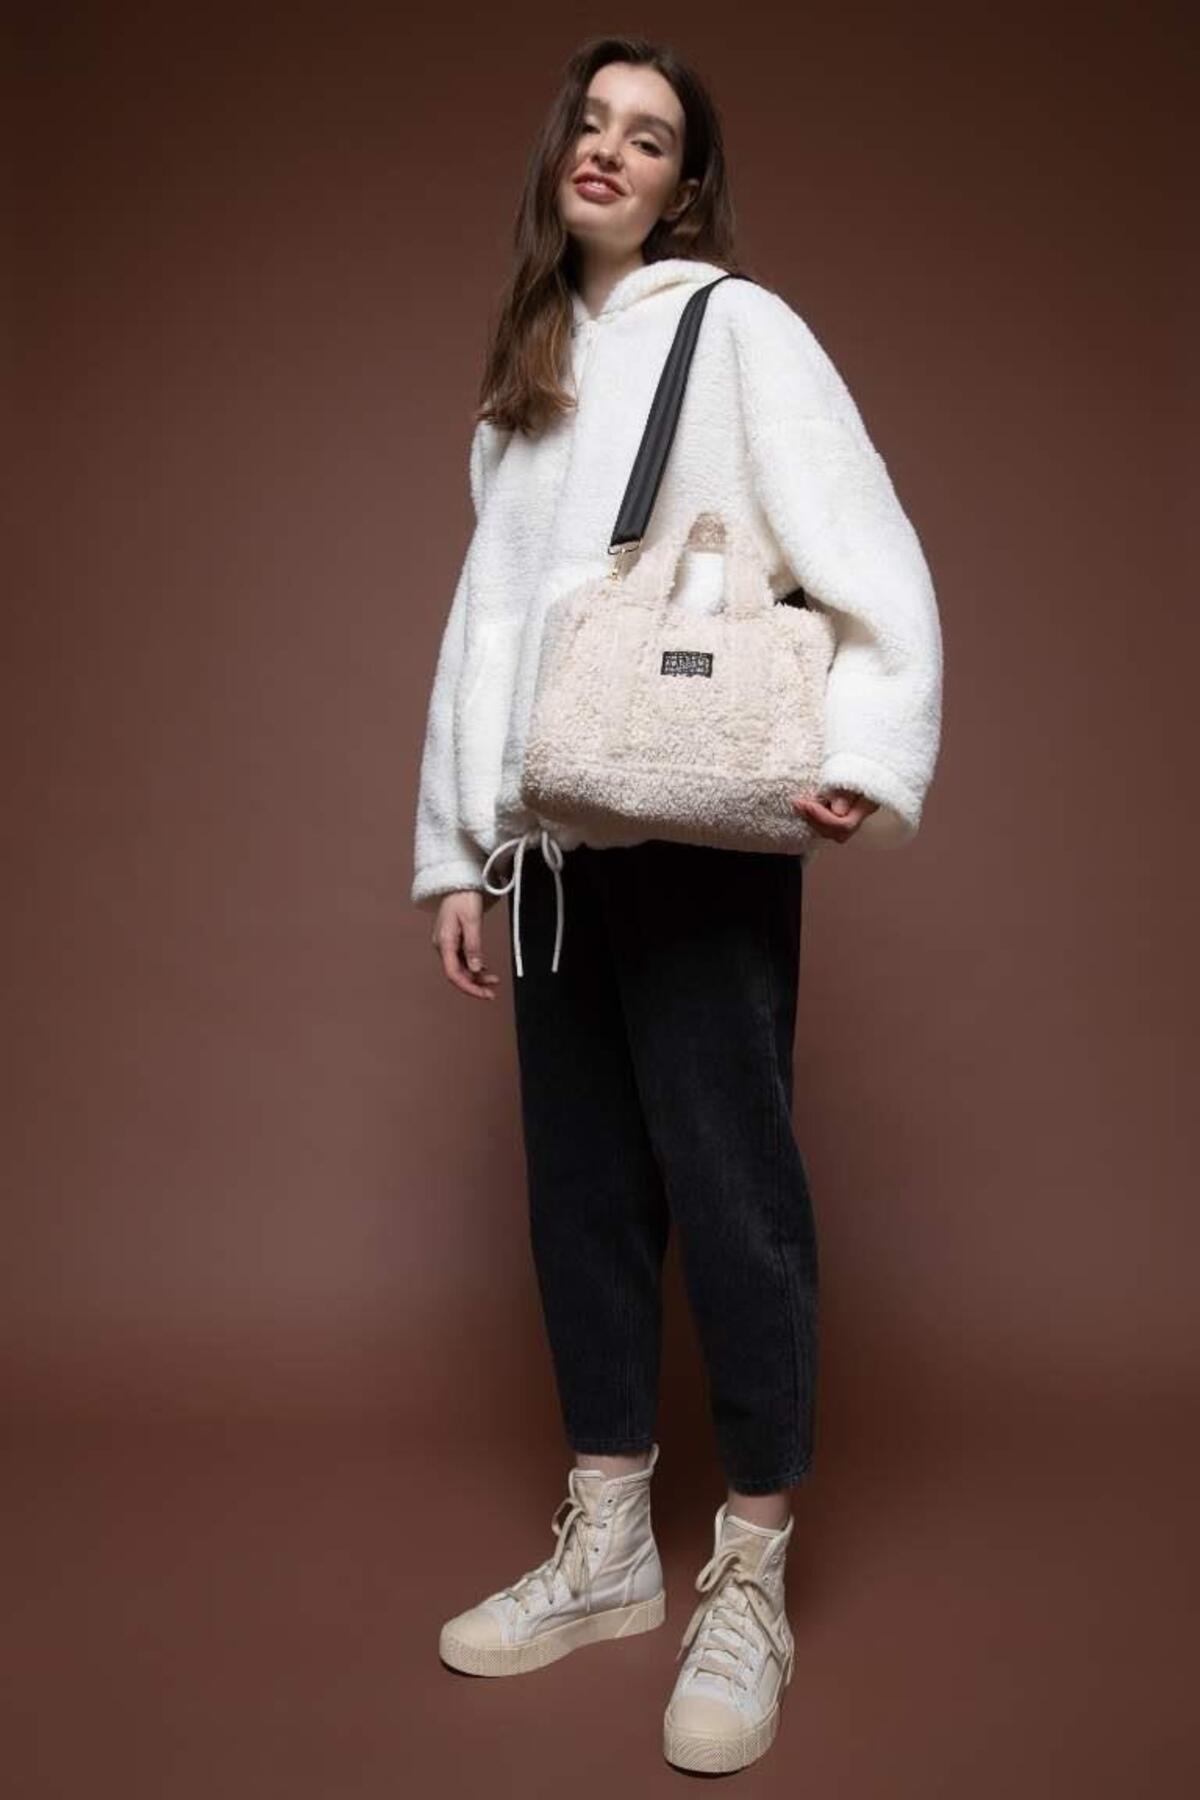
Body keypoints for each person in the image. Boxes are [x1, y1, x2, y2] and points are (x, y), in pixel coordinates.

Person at [411, 34, 943, 1775]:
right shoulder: (529, 371)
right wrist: (459, 847)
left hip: (701, 837)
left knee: (735, 1195)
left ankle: (755, 1571)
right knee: (581, 1197)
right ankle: (611, 1550)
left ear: (685, 185)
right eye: (591, 123)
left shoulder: (743, 330)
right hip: (554, 849)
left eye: (648, 138)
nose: (610, 152)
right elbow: (490, 625)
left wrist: (861, 747)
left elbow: (866, 548)